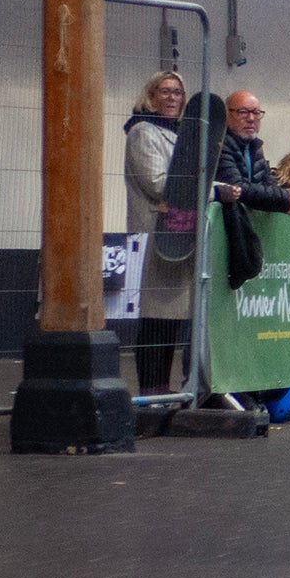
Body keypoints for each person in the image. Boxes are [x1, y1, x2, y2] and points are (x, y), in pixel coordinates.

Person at [123, 71, 191, 395]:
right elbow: (157, 183)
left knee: (172, 317)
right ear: (150, 95)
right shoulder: (142, 132)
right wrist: (204, 189)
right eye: (164, 91)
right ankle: (151, 391)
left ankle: (162, 390)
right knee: (154, 318)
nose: (171, 98)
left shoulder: (181, 134)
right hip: (153, 234)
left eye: (177, 92)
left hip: (177, 231)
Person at [214, 91, 290, 215]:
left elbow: (266, 183)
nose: (251, 119)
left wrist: (288, 194)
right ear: (226, 114)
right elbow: (236, 188)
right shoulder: (218, 144)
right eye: (243, 112)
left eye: (256, 113)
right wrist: (283, 198)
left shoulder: (254, 146)